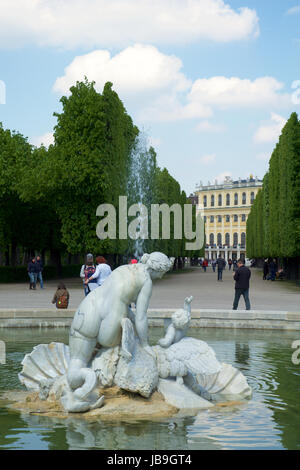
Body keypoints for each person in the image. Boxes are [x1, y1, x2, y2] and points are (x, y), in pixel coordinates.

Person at [67, 252, 173, 407]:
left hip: (87, 309)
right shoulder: (146, 281)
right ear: (157, 270)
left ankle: (80, 383)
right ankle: (93, 380)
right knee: (130, 338)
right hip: (111, 320)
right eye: (162, 273)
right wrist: (145, 345)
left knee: (76, 363)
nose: (161, 277)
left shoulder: (125, 268)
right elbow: (141, 317)